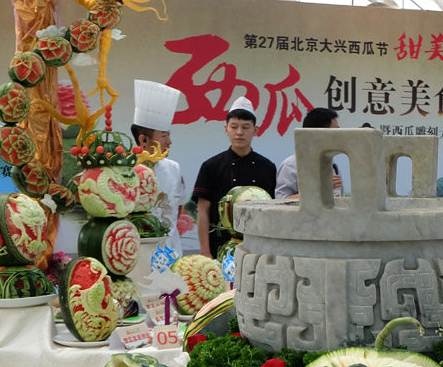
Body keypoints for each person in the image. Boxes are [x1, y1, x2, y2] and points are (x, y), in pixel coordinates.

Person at [191, 97, 277, 258]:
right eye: (234, 127)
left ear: (255, 130)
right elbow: (203, 211)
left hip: (258, 246)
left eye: (245, 127)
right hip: (218, 246)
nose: (239, 132)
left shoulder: (267, 167)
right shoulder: (211, 166)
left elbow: (272, 210)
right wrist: (205, 251)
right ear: (226, 129)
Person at [131, 80, 186, 257]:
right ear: (143, 140)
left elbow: (177, 208)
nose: (169, 142)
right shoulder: (125, 171)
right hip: (135, 253)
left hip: (171, 252)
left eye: (168, 135)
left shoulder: (174, 168)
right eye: (163, 136)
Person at [275, 107, 343, 199]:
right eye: (334, 131)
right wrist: (320, 189)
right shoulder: (291, 165)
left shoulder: (332, 164)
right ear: (317, 133)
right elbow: (281, 200)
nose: (339, 135)